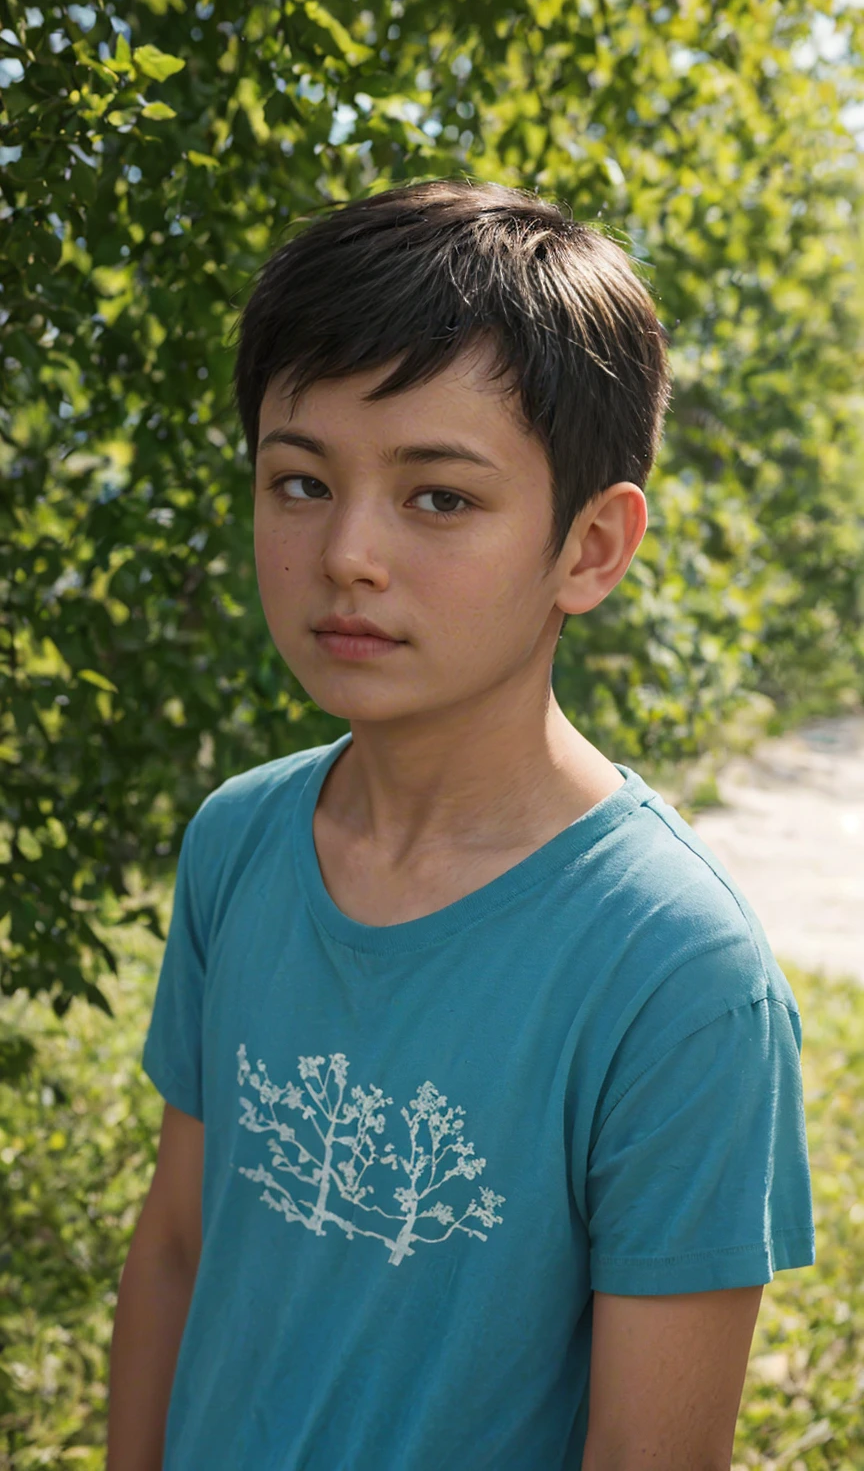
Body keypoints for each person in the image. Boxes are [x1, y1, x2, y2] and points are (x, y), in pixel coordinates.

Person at [107, 179, 815, 1471]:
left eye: (439, 498)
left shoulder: (676, 978)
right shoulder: (240, 845)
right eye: (301, 482)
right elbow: (176, 1246)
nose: (348, 555)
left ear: (591, 549)